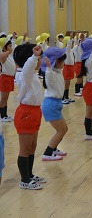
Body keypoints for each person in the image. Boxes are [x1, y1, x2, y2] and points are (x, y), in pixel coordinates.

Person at [13, 43, 45, 190]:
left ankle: (30, 175)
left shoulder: (31, 74)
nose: (40, 61)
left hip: (35, 111)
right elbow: (27, 68)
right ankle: (24, 180)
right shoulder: (23, 75)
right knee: (25, 149)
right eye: (39, 59)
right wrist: (34, 57)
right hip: (26, 113)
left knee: (32, 147)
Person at [40, 47, 68, 161]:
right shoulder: (50, 73)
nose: (65, 63)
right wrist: (48, 66)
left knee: (64, 129)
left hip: (55, 104)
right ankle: (47, 152)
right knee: (61, 130)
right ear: (57, 61)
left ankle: (54, 148)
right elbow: (49, 76)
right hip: (51, 105)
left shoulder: (58, 71)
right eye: (63, 61)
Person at [0, 33, 17, 122]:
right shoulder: (4, 57)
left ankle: (5, 115)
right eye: (9, 46)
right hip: (5, 78)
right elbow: (1, 55)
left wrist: (13, 39)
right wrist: (4, 49)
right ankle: (2, 116)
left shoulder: (9, 56)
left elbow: (12, 47)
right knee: (3, 98)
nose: (11, 48)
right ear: (4, 48)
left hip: (10, 79)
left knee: (6, 98)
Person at [62, 33, 76, 104]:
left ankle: (66, 97)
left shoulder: (71, 50)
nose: (72, 44)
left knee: (68, 83)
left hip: (71, 67)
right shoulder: (67, 50)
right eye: (71, 43)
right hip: (67, 67)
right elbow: (69, 45)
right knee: (66, 83)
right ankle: (62, 98)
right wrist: (71, 38)